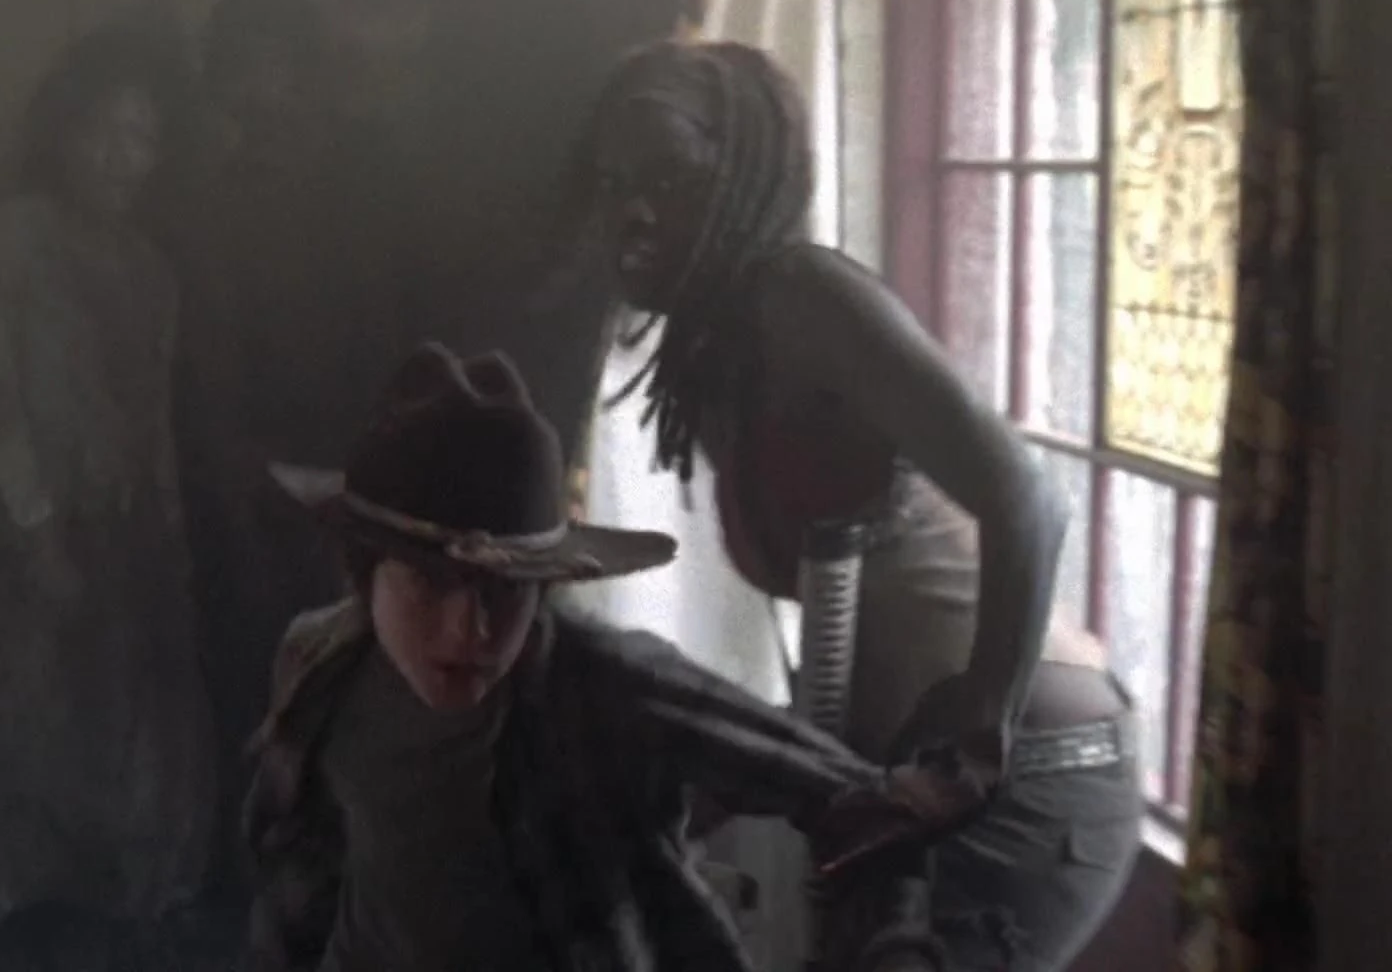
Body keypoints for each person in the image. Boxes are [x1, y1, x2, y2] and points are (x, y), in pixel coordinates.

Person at [559, 39, 1143, 970]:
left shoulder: (801, 293)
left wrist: (981, 738)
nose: (632, 210)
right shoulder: (716, 352)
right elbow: (858, 630)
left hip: (1023, 770)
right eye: (613, 182)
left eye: (668, 177)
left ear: (743, 176)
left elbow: (1028, 498)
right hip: (908, 778)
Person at [243, 342, 954, 972]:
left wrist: (894, 950)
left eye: (505, 590)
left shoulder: (612, 689)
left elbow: (870, 804)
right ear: (365, 575)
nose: (470, 629)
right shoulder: (319, 666)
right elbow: (302, 860)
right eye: (431, 584)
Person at [0, 26, 218, 957]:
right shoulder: (11, 239)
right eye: (106, 132)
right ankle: (27, 909)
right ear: (67, 131)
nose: (123, 158)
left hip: (126, 526)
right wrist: (36, 528)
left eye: (142, 138)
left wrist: (168, 534)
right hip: (28, 523)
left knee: (137, 725)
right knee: (32, 718)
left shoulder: (152, 271)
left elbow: (154, 417)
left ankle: (131, 898)